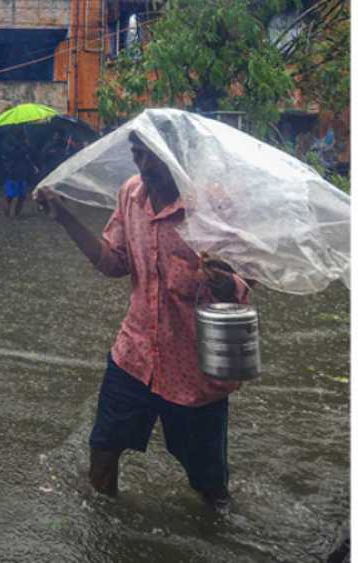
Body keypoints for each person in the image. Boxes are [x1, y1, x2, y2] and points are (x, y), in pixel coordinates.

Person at [33, 132, 252, 512]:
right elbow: (114, 262)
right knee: (102, 452)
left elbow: (246, 282)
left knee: (210, 487)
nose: (143, 166)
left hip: (194, 373)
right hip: (133, 357)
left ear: (177, 156)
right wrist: (65, 217)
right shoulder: (131, 196)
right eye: (136, 154)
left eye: (152, 157)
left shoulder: (212, 206)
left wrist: (224, 281)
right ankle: (103, 537)